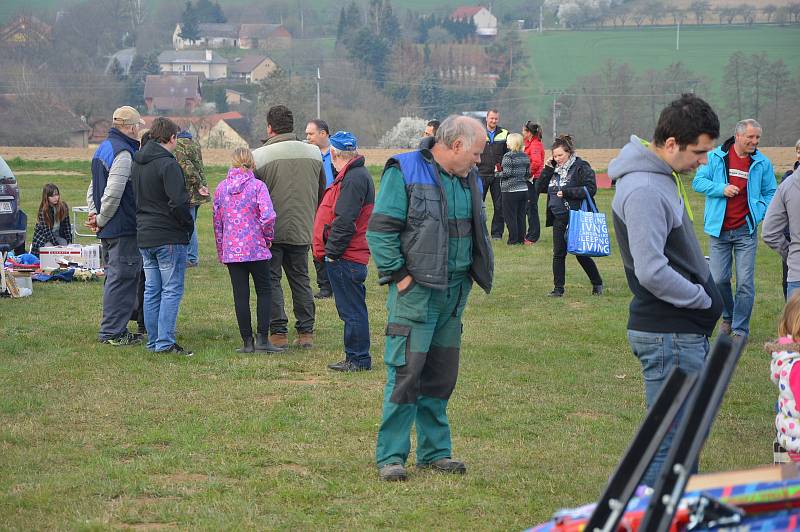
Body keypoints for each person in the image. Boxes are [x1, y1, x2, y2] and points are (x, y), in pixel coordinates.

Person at [367, 115, 494, 482]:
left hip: (453, 295)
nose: (478, 160)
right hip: (415, 294)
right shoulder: (404, 170)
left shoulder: (469, 178)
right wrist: (400, 277)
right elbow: (381, 231)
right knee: (406, 375)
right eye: (476, 152)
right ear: (456, 145)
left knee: (440, 377)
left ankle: (435, 452)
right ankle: (391, 456)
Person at [609, 93, 723, 487]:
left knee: (680, 444)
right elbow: (652, 271)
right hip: (669, 334)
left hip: (679, 331)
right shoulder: (643, 189)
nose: (704, 161)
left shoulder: (660, 179)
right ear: (671, 143)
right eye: (699, 151)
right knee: (669, 446)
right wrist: (702, 299)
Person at [692, 119, 777, 339]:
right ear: (738, 136)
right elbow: (698, 182)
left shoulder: (762, 163)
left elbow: (771, 192)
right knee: (719, 279)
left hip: (745, 231)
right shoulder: (715, 157)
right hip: (719, 230)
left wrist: (757, 212)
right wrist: (721, 188)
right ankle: (728, 317)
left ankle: (740, 328)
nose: (754, 141)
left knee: (745, 284)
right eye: (750, 137)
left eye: (757, 137)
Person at [253, 105, 325, 349]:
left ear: (270, 127)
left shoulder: (260, 156)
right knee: (301, 279)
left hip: (270, 231)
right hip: (303, 227)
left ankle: (278, 332)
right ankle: (306, 332)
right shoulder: (314, 154)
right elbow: (321, 192)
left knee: (272, 280)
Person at [131, 116, 195, 356]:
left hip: (145, 234)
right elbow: (179, 202)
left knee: (152, 290)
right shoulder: (168, 165)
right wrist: (187, 225)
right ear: (172, 138)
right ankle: (165, 342)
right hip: (168, 235)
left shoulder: (137, 163)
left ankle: (154, 340)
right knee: (171, 289)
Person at [312, 131, 374, 372]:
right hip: (349, 255)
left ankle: (357, 359)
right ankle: (356, 356)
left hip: (346, 256)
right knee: (351, 308)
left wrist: (332, 252)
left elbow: (345, 219)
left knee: (352, 310)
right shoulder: (356, 175)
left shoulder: (353, 178)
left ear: (335, 154)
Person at [213, 148, 285, 354]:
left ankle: (247, 342)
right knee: (264, 291)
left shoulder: (221, 188)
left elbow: (217, 223)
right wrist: (267, 237)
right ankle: (263, 338)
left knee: (240, 295)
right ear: (251, 163)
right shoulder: (257, 186)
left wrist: (221, 249)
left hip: (232, 250)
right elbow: (269, 216)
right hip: (256, 249)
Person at [86, 105, 144, 346]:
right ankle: (112, 333)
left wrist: (93, 213)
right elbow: (113, 193)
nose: (140, 131)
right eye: (138, 127)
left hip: (109, 227)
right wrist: (99, 218)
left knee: (115, 278)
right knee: (122, 279)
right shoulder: (123, 153)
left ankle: (114, 329)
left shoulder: (103, 148)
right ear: (130, 127)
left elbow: (93, 187)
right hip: (121, 227)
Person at [536, 134, 603, 297]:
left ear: (569, 153)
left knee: (581, 254)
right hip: (558, 217)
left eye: (560, 155)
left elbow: (590, 189)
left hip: (576, 217)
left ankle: (597, 283)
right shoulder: (554, 169)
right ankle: (558, 289)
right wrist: (547, 169)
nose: (557, 158)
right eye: (555, 155)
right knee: (558, 254)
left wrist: (567, 192)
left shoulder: (581, 167)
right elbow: (539, 187)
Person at [767, 292, 800, 463]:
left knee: (789, 488)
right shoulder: (798, 366)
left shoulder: (788, 358)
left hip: (788, 441)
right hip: (797, 449)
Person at [306, 118, 335, 300]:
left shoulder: (337, 153)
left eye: (311, 133)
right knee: (317, 246)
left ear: (323, 133)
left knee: (335, 246)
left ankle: (338, 282)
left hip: (335, 208)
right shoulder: (309, 154)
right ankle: (324, 286)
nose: (307, 137)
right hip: (314, 207)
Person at [763, 161, 800, 299]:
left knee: (795, 320)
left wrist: (791, 254)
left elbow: (769, 233)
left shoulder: (787, 185)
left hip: (797, 270)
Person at [174, 130, 209, 267]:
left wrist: (197, 184)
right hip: (198, 191)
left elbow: (186, 166)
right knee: (191, 222)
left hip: (189, 190)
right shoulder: (194, 143)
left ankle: (191, 258)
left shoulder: (179, 145)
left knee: (189, 224)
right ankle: (190, 255)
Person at [477, 109, 509, 239]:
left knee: (499, 205)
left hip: (498, 176)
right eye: (491, 118)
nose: (494, 121)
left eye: (496, 119)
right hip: (481, 174)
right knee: (478, 205)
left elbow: (508, 154)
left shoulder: (505, 133)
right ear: (486, 118)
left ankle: (497, 234)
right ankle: (479, 233)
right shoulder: (477, 132)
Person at [497, 133, 530, 245]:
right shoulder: (525, 156)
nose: (506, 142)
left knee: (510, 216)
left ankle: (513, 240)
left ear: (511, 143)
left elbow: (507, 173)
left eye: (508, 141)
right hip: (523, 190)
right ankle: (521, 239)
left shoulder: (508, 156)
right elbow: (527, 173)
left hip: (510, 190)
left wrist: (496, 174)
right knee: (521, 216)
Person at [31, 183, 72, 256]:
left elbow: (67, 226)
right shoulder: (43, 210)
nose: (56, 198)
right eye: (52, 196)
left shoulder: (63, 206)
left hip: (58, 235)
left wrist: (69, 242)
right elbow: (47, 232)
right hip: (44, 238)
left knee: (66, 247)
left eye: (57, 195)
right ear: (47, 197)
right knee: (51, 249)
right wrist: (57, 246)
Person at [522, 121, 545, 244]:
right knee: (528, 207)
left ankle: (533, 236)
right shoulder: (528, 144)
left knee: (531, 207)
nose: (522, 133)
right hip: (531, 179)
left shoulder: (535, 145)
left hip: (534, 179)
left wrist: (527, 174)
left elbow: (536, 162)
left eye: (523, 131)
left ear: (529, 133)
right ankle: (530, 234)